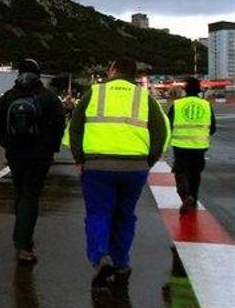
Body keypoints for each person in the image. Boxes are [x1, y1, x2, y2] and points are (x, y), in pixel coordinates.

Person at [68, 57, 170, 287]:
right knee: (125, 216)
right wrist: (148, 161)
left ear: (113, 69)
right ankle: (122, 263)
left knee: (98, 213)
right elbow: (160, 133)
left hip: (97, 167)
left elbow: (75, 126)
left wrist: (79, 158)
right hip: (134, 168)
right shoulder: (145, 97)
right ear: (133, 75)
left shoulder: (94, 93)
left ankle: (100, 257)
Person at [0, 58, 66, 263]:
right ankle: (24, 245)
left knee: (20, 194)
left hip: (15, 154)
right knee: (30, 196)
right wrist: (51, 148)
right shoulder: (48, 97)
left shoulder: (8, 97)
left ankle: (21, 236)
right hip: (39, 156)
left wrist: (8, 145)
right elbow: (59, 125)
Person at [168, 77, 216, 215]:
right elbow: (212, 129)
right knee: (195, 175)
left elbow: (169, 125)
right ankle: (193, 201)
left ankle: (185, 196)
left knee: (181, 173)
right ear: (199, 90)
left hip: (181, 146)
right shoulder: (206, 105)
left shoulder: (177, 105)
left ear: (185, 90)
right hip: (200, 147)